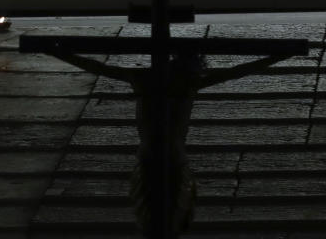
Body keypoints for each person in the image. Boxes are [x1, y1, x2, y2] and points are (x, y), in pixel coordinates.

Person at [50, 47, 294, 237]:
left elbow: (97, 66)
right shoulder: (187, 82)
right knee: (169, 205)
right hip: (173, 153)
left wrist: (59, 53)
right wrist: (275, 58)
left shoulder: (144, 77)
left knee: (154, 204)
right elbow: (238, 70)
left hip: (151, 151)